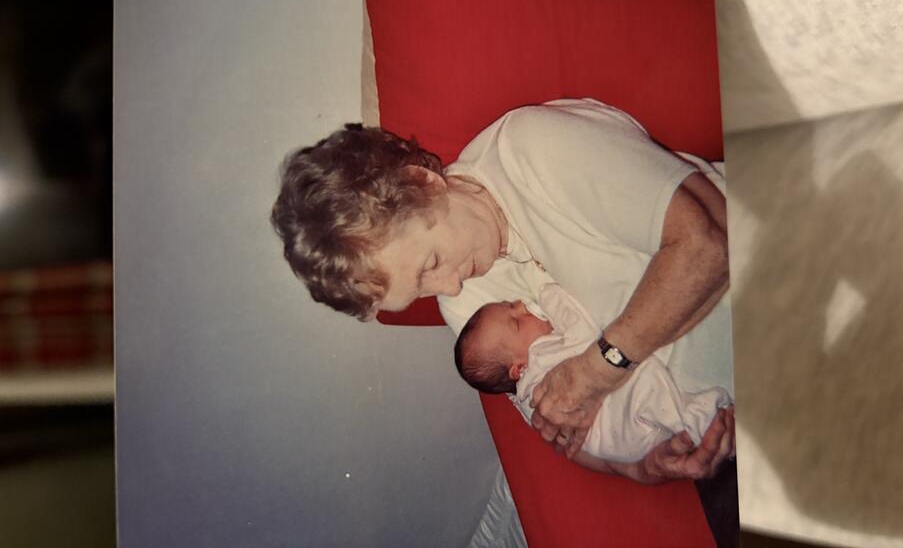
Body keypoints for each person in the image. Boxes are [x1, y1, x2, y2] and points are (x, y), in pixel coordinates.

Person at [271, 98, 734, 482]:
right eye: (421, 290)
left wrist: (599, 371)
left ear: (423, 183)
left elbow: (710, 242)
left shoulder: (533, 149)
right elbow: (560, 427)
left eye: (430, 263)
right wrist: (641, 468)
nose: (450, 286)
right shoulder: (461, 302)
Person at [455, 282, 733, 472]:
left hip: (621, 444)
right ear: (517, 368)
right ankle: (704, 423)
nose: (522, 306)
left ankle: (696, 426)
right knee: (646, 379)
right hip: (616, 419)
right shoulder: (540, 359)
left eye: (510, 304)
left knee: (651, 386)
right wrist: (551, 296)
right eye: (517, 321)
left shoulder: (531, 401)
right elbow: (584, 334)